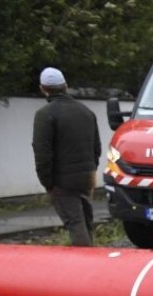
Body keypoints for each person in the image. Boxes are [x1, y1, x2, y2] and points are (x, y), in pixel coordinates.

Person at [32, 67, 101, 246]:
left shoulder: (44, 115)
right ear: (66, 86)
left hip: (62, 181)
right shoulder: (86, 112)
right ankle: (95, 260)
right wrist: (91, 172)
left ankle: (84, 265)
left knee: (75, 223)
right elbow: (97, 148)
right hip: (86, 177)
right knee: (86, 222)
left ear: (43, 88)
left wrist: (47, 182)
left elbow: (42, 152)